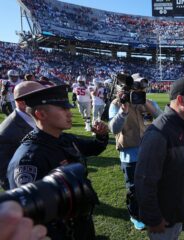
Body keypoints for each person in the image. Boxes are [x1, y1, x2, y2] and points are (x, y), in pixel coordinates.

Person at [7, 84, 109, 240]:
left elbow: (94, 148)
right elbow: (31, 215)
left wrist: (101, 136)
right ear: (41, 114)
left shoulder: (63, 138)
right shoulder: (29, 158)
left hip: (80, 223)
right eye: (63, 109)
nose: (70, 114)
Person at [134, 76, 184, 240]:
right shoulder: (159, 133)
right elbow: (144, 180)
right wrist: (154, 218)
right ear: (180, 100)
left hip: (176, 211)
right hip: (163, 218)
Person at [108, 74, 162, 230]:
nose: (140, 91)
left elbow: (162, 119)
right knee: (133, 188)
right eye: (137, 88)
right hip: (129, 155)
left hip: (150, 153)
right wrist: (123, 111)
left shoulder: (149, 103)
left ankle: (149, 209)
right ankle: (135, 215)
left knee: (152, 184)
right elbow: (114, 129)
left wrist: (145, 103)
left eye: (142, 88)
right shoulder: (117, 104)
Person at [0, 81, 44, 190]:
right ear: (21, 102)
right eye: (41, 97)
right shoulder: (7, 133)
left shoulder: (34, 117)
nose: (45, 101)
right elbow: (5, 176)